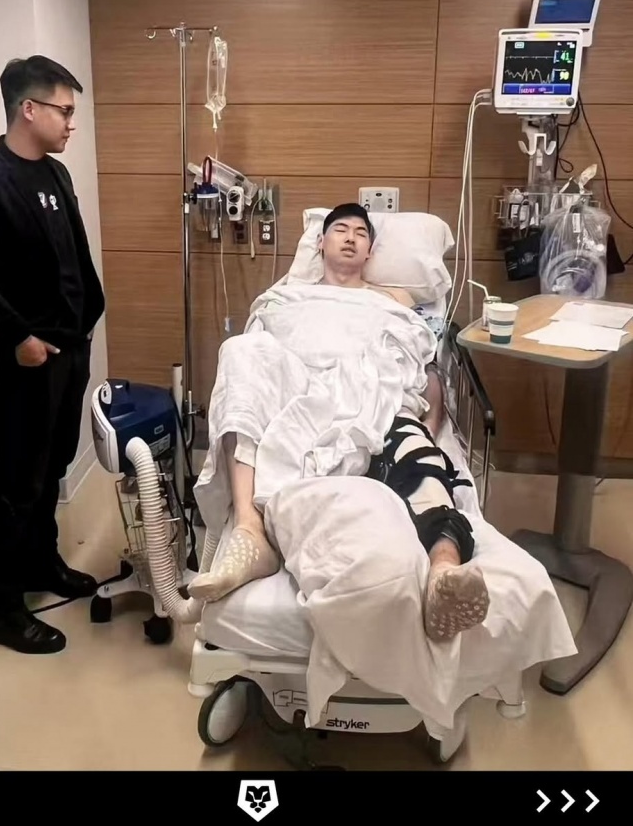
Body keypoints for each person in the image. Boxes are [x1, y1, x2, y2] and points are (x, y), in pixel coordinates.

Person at [189, 203, 490, 642]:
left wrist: (427, 420)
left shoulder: (394, 301)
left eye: (361, 233)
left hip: (370, 398)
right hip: (296, 388)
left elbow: (421, 363)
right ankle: (251, 529)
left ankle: (444, 573)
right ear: (320, 243)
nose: (350, 237)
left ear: (370, 252)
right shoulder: (287, 296)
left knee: (418, 455)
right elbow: (264, 355)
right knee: (240, 351)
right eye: (340, 230)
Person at [0, 56, 105, 655]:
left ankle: (42, 562)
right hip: (27, 358)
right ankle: (3, 606)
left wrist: (87, 320)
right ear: (28, 109)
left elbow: (71, 258)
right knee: (17, 480)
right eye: (65, 110)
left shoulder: (55, 174)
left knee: (53, 466)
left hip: (69, 347)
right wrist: (19, 337)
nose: (71, 123)